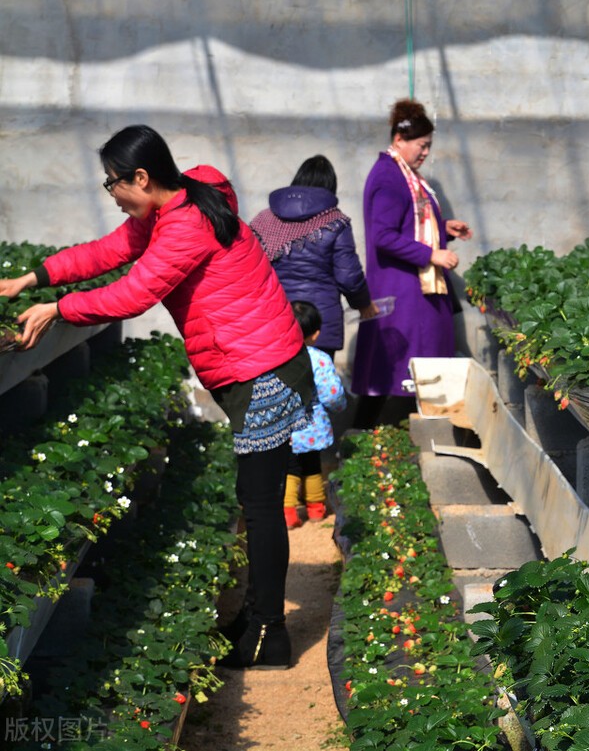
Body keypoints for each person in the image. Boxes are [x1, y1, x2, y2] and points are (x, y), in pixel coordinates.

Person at [0, 125, 311, 671]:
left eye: (112, 184)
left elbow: (136, 291)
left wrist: (58, 309)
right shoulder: (189, 196)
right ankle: (259, 618)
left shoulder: (184, 228)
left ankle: (271, 635)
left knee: (260, 508)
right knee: (255, 502)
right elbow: (110, 251)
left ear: (141, 178)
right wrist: (33, 277)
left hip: (262, 371)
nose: (112, 195)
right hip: (264, 361)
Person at [351, 98, 472, 427]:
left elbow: (408, 225)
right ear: (399, 140)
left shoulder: (405, 176)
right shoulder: (390, 178)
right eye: (422, 145)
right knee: (397, 373)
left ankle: (387, 441)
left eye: (429, 146)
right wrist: (432, 254)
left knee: (404, 372)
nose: (425, 153)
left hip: (412, 289)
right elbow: (383, 235)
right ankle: (371, 440)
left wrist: (443, 229)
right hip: (402, 292)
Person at [249, 155, 376, 362]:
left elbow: (249, 269)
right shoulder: (335, 221)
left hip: (274, 321)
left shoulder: (264, 219)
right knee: (320, 388)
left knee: (279, 390)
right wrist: (364, 304)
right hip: (319, 327)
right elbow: (348, 277)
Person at [284, 301, 344, 529]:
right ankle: (316, 509)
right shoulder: (319, 359)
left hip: (284, 426)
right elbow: (331, 394)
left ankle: (288, 513)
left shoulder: (276, 357)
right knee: (312, 466)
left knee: (289, 468)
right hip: (312, 426)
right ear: (316, 333)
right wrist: (339, 406)